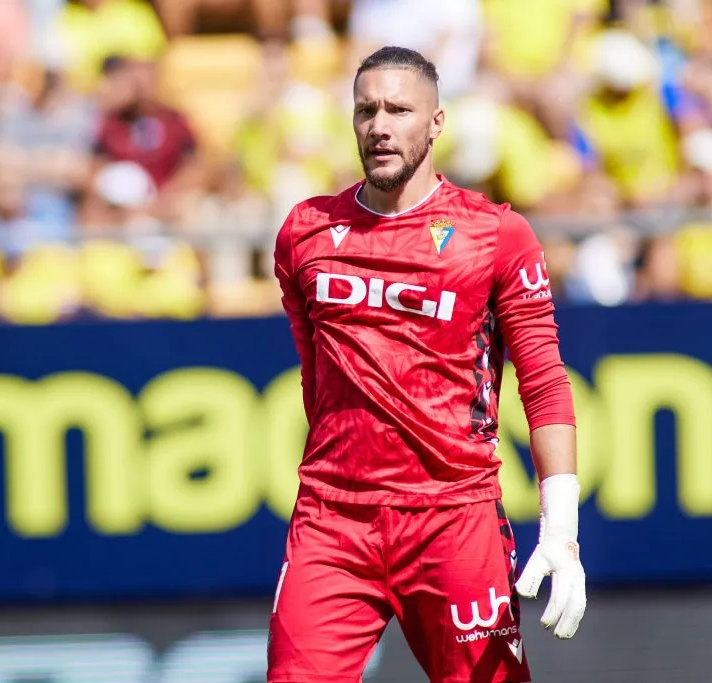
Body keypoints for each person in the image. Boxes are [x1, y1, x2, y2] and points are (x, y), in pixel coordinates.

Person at [269, 46, 586, 683]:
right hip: (334, 522)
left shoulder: (495, 234)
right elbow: (317, 378)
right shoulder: (304, 232)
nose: (380, 125)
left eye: (398, 109)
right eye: (366, 110)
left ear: (436, 122)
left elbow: (544, 379)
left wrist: (563, 528)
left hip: (454, 518)